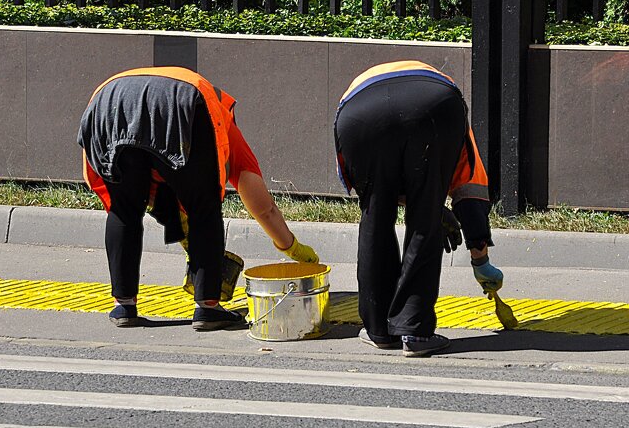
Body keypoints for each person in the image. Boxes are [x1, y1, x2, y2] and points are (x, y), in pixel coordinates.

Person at [78, 66, 318, 332]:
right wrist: (292, 248)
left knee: (124, 209)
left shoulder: (131, 104)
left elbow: (95, 173)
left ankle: (124, 305)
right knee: (204, 208)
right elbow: (264, 208)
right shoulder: (221, 116)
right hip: (183, 99)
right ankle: (207, 307)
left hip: (108, 98)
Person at [334, 60, 506, 357]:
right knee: (424, 219)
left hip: (356, 113)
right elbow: (471, 187)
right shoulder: (445, 99)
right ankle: (414, 331)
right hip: (435, 105)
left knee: (374, 214)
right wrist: (480, 259)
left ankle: (378, 330)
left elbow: (381, 188)